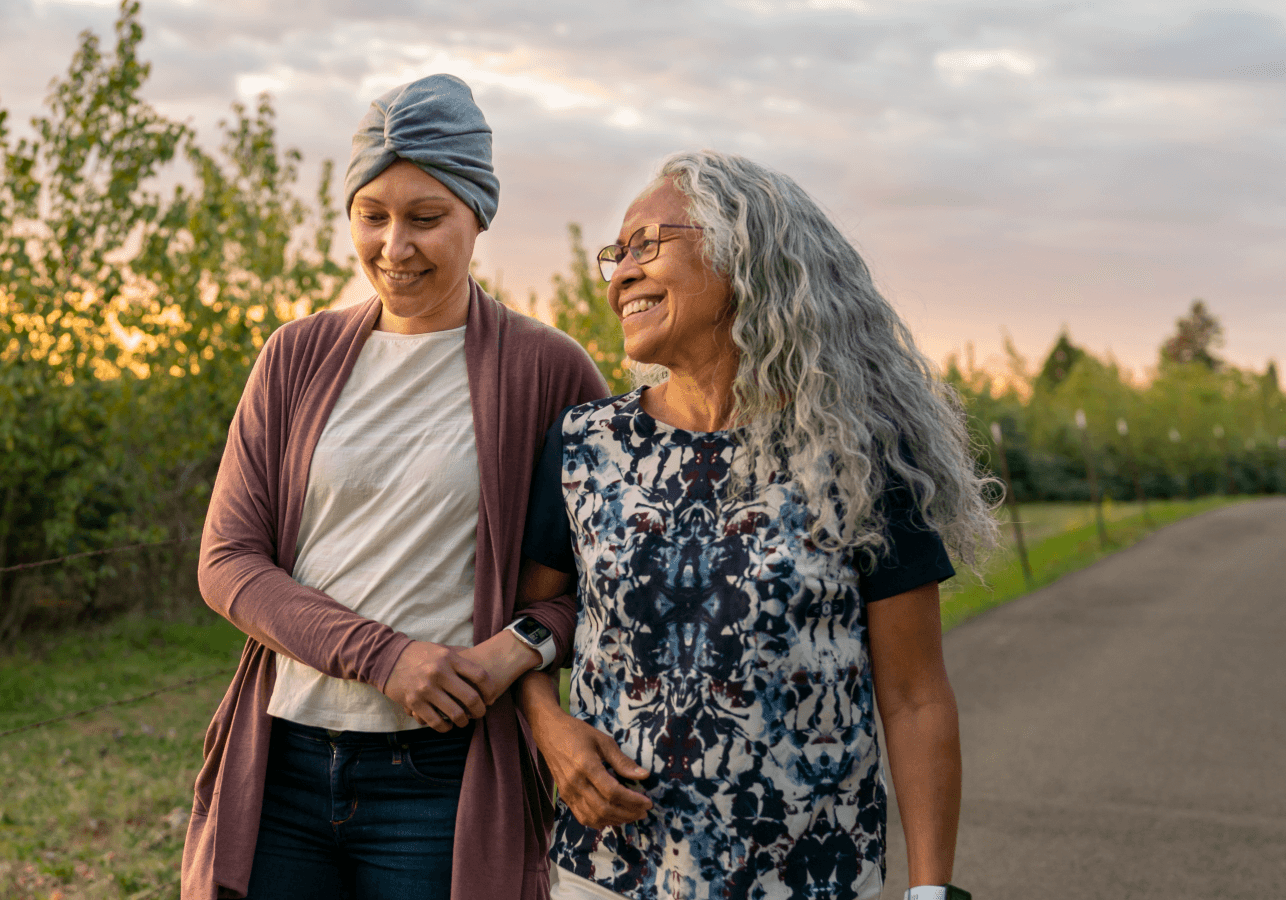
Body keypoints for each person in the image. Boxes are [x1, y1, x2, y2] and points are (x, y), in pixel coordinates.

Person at [514, 150, 999, 900]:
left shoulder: (857, 455)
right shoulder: (584, 447)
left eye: (649, 244)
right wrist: (550, 728)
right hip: (607, 873)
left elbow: (916, 696)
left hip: (810, 876)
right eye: (618, 253)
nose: (620, 275)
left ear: (747, 252)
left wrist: (932, 891)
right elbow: (531, 625)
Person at [179, 74, 609, 900]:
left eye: (425, 217)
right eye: (372, 215)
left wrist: (514, 647)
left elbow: (605, 582)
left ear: (477, 215)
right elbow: (228, 560)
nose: (394, 245)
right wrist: (387, 658)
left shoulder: (548, 370)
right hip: (285, 760)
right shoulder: (295, 356)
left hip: (444, 776)